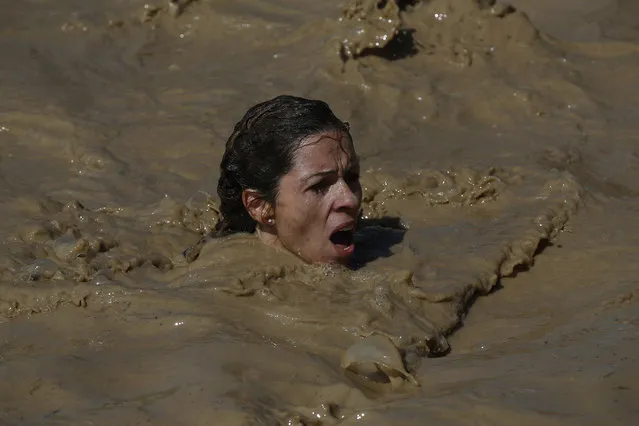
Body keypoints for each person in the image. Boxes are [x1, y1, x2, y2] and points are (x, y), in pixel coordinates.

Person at [215, 95, 362, 265]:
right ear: (261, 207)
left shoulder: (380, 243)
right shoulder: (233, 284)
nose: (349, 199)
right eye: (319, 186)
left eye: (352, 178)